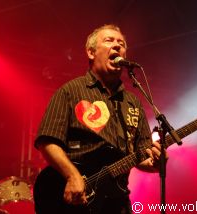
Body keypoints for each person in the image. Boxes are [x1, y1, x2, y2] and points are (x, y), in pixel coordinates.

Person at [33, 24, 168, 214]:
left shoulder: (133, 103)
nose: (117, 45)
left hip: (117, 201)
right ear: (90, 52)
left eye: (121, 43)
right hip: (73, 200)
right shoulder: (70, 91)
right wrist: (72, 176)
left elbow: (140, 155)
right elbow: (47, 140)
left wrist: (154, 163)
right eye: (109, 40)